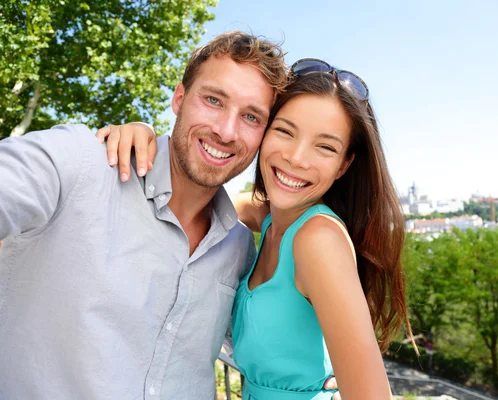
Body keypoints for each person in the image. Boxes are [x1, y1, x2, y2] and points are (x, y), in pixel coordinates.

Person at [101, 58, 416, 399]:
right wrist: (144, 138)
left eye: (325, 147)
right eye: (284, 131)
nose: (297, 157)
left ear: (344, 165)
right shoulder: (270, 219)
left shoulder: (317, 239)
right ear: (262, 132)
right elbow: (198, 198)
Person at [0, 31, 290, 400]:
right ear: (179, 97)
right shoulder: (79, 163)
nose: (226, 130)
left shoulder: (239, 249)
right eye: (214, 99)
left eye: (251, 116)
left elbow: (267, 348)